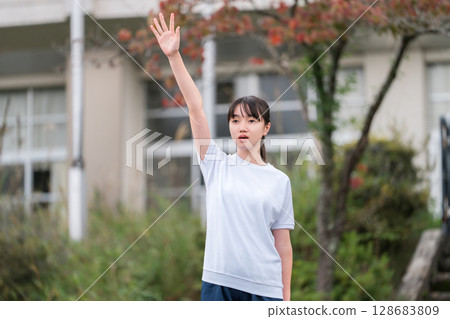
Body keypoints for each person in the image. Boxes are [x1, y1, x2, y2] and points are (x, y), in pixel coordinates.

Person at [150, 12, 294, 301]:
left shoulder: (279, 181)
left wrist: (286, 299)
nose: (242, 127)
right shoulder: (217, 164)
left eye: (251, 121)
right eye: (235, 120)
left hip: (265, 290)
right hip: (218, 283)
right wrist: (174, 56)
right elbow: (196, 108)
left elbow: (283, 246)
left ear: (265, 128)